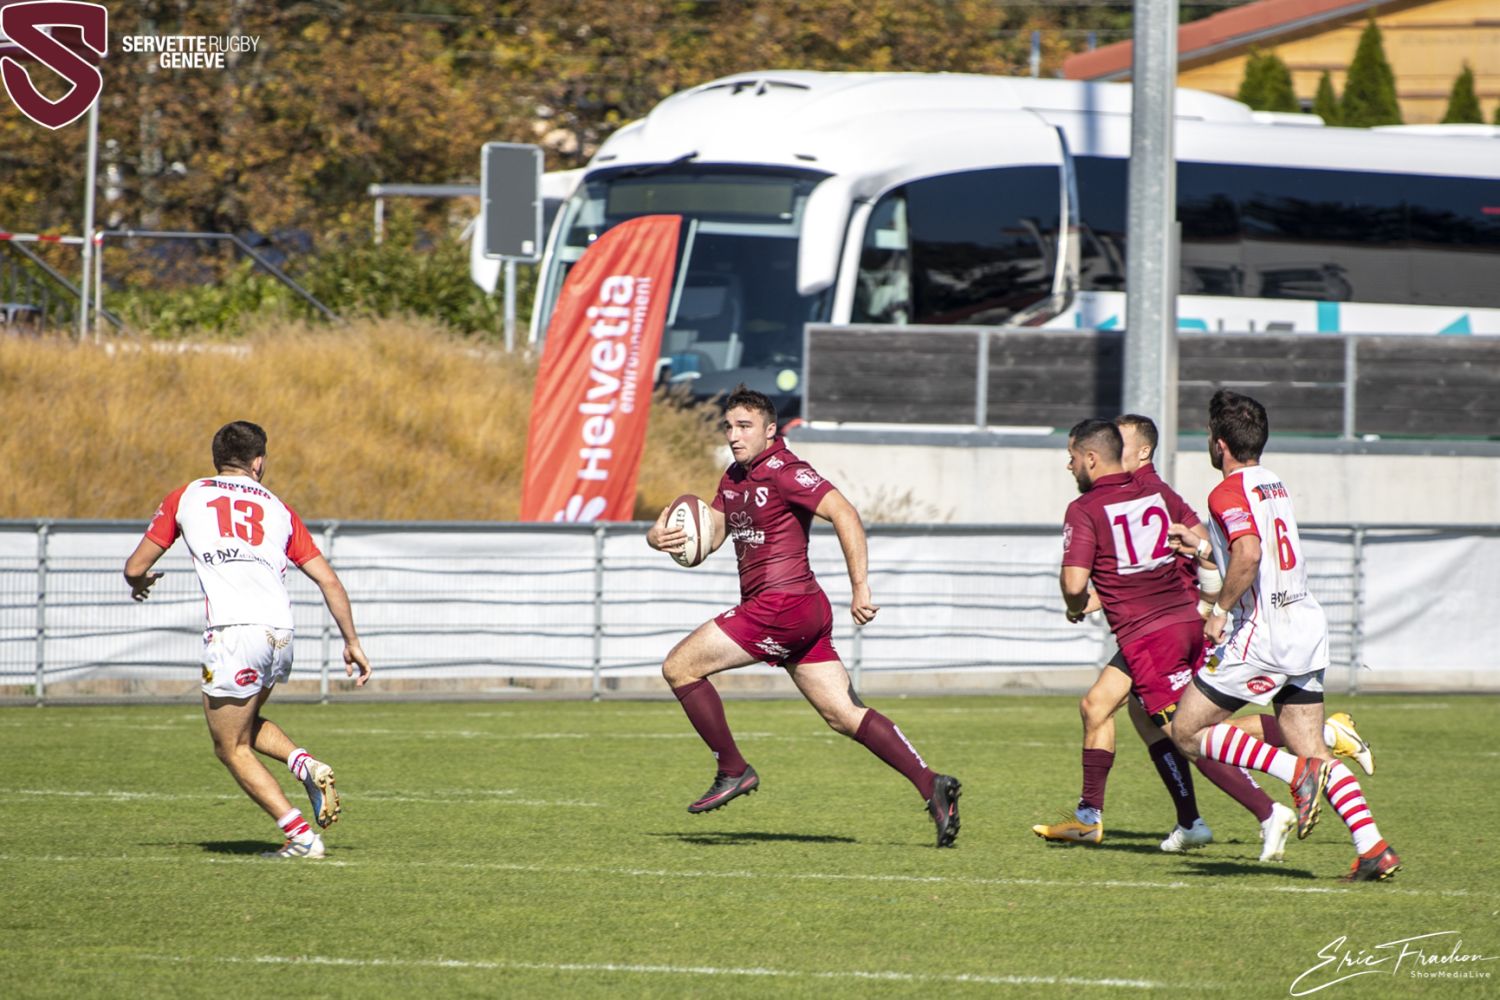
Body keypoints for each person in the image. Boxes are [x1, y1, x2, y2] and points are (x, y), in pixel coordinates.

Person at [646, 385, 961, 847]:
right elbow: (709, 539)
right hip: (799, 611)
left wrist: (860, 587)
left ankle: (733, 769)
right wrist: (658, 538)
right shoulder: (733, 477)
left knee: (680, 667)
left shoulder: (787, 471)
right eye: (729, 426)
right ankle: (932, 783)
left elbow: (845, 513)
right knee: (843, 714)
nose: (734, 435)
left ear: (770, 430)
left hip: (780, 606)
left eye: (745, 426)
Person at [1037, 418, 1303, 858]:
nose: (1069, 465)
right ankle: (1137, 820)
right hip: (1173, 623)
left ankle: (1271, 805)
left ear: (1093, 457)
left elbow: (1075, 582)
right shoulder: (1154, 494)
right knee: (1101, 706)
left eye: (1072, 457)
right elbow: (1194, 551)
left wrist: (1076, 603)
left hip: (1152, 636)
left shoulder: (1095, 505)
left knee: (1190, 732)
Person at [1166, 390, 1399, 882]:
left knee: (1186, 732)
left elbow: (1249, 554)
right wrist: (1204, 547)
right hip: (1304, 627)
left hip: (1263, 635)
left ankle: (1296, 775)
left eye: (1209, 434)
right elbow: (1259, 549)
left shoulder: (1225, 492)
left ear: (1220, 444)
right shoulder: (1273, 483)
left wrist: (1219, 611)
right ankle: (1373, 848)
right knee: (1310, 746)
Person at [124, 421, 371, 859]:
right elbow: (329, 580)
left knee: (229, 747)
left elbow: (134, 567)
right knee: (244, 724)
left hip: (234, 632)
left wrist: (139, 582)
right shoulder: (279, 508)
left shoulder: (187, 496)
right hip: (280, 633)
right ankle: (305, 765)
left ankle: (302, 838)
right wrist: (352, 641)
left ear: (217, 459)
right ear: (258, 462)